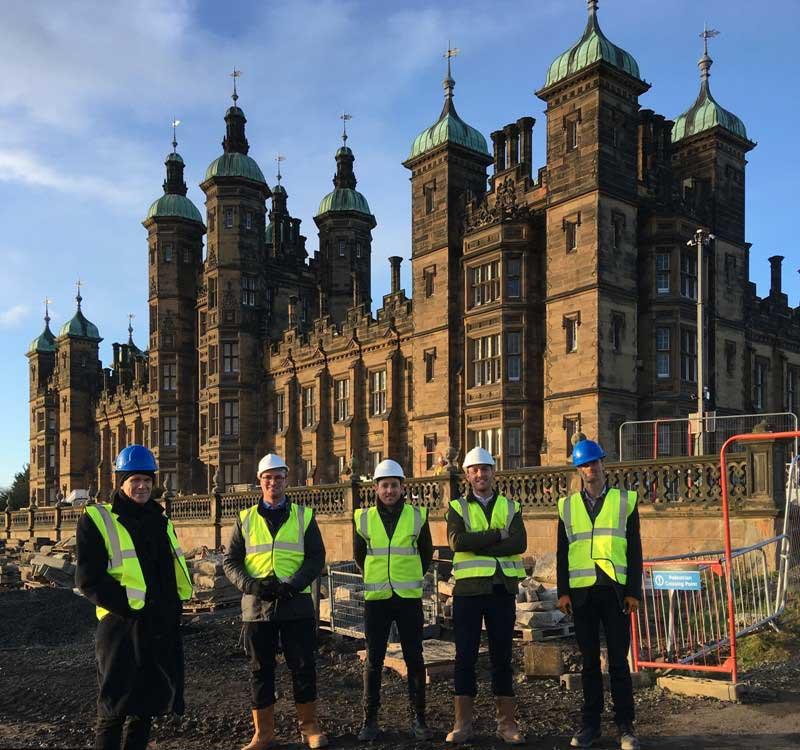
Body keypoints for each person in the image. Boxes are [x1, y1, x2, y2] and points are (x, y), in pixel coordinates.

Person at [76, 444, 193, 750]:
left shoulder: (160, 519)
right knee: (113, 708)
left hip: (157, 624)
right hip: (120, 626)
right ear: (120, 481)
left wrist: (172, 610)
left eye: (147, 480)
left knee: (145, 708)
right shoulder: (98, 519)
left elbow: (167, 570)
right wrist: (129, 606)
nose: (142, 486)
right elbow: (89, 580)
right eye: (134, 480)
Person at [224, 453, 327, 750]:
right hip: (257, 606)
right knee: (260, 669)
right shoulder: (244, 519)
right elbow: (231, 561)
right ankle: (263, 733)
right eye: (268, 478)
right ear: (260, 481)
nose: (273, 482)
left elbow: (316, 557)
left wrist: (292, 585)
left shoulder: (304, 516)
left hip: (295, 603)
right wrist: (251, 585)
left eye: (279, 477)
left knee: (303, 665)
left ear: (286, 480)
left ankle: (309, 728)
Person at [556, 439, 643, 750]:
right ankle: (590, 725)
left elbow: (634, 550)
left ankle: (625, 726)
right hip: (582, 595)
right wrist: (563, 591)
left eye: (594, 462)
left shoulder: (624, 501)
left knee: (619, 661)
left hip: (615, 592)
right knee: (589, 663)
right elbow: (562, 551)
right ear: (578, 469)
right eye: (584, 464)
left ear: (603, 464)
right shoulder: (567, 506)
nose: (589, 468)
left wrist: (634, 591)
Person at [445, 446, 527, 745]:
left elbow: (519, 543)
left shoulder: (511, 506)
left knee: (502, 657)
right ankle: (462, 724)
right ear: (467, 475)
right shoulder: (457, 508)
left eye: (485, 468)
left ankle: (507, 724)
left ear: (494, 472)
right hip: (468, 591)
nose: (480, 474)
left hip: (501, 590)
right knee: (464, 657)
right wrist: (496, 535)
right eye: (474, 470)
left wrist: (477, 543)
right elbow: (457, 541)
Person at [353, 458, 434, 741]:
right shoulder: (363, 518)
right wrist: (378, 576)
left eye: (394, 486)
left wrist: (407, 576)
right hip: (377, 599)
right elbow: (359, 556)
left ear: (402, 488)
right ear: (375, 488)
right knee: (373, 660)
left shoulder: (417, 516)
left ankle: (419, 719)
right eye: (384, 485)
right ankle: (370, 720)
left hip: (408, 598)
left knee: (415, 658)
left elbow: (426, 554)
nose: (389, 491)